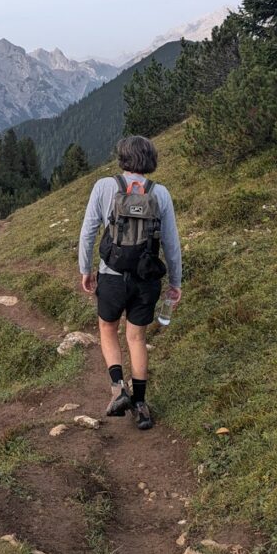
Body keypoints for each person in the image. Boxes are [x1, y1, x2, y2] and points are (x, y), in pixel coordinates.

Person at [78, 135, 182, 430]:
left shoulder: (104, 187)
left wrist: (85, 269)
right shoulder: (160, 193)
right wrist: (175, 281)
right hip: (146, 279)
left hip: (111, 276)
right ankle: (140, 404)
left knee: (107, 329)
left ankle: (117, 387)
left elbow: (88, 232)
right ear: (150, 159)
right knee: (137, 338)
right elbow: (172, 244)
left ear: (122, 158)